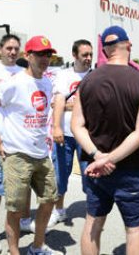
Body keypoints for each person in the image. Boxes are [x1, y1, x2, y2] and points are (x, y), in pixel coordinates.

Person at [71, 25, 139, 255]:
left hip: (96, 169)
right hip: (130, 169)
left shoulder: (87, 81)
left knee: (93, 223)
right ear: (128, 46)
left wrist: (98, 157)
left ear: (106, 51)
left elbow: (76, 125)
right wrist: (110, 158)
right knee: (134, 230)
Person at [0, 35, 59, 255]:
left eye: (48, 54)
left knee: (49, 200)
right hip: (17, 156)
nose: (45, 58)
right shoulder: (14, 83)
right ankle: (14, 251)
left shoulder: (47, 82)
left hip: (41, 154)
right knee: (14, 210)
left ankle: (37, 246)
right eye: (40, 54)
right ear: (28, 56)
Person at [0, 34, 34, 254]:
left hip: (21, 139)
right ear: (1, 49)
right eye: (8, 48)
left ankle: (22, 219)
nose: (12, 52)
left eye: (16, 49)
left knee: (24, 182)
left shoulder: (24, 72)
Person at [48, 39, 92, 227]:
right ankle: (59, 210)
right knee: (60, 175)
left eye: (91, 54)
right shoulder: (63, 75)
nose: (89, 58)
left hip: (87, 136)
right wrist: (57, 125)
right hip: (64, 134)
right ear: (74, 55)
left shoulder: (95, 76)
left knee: (90, 176)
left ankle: (93, 213)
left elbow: (96, 106)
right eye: (85, 55)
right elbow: (55, 102)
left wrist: (70, 106)